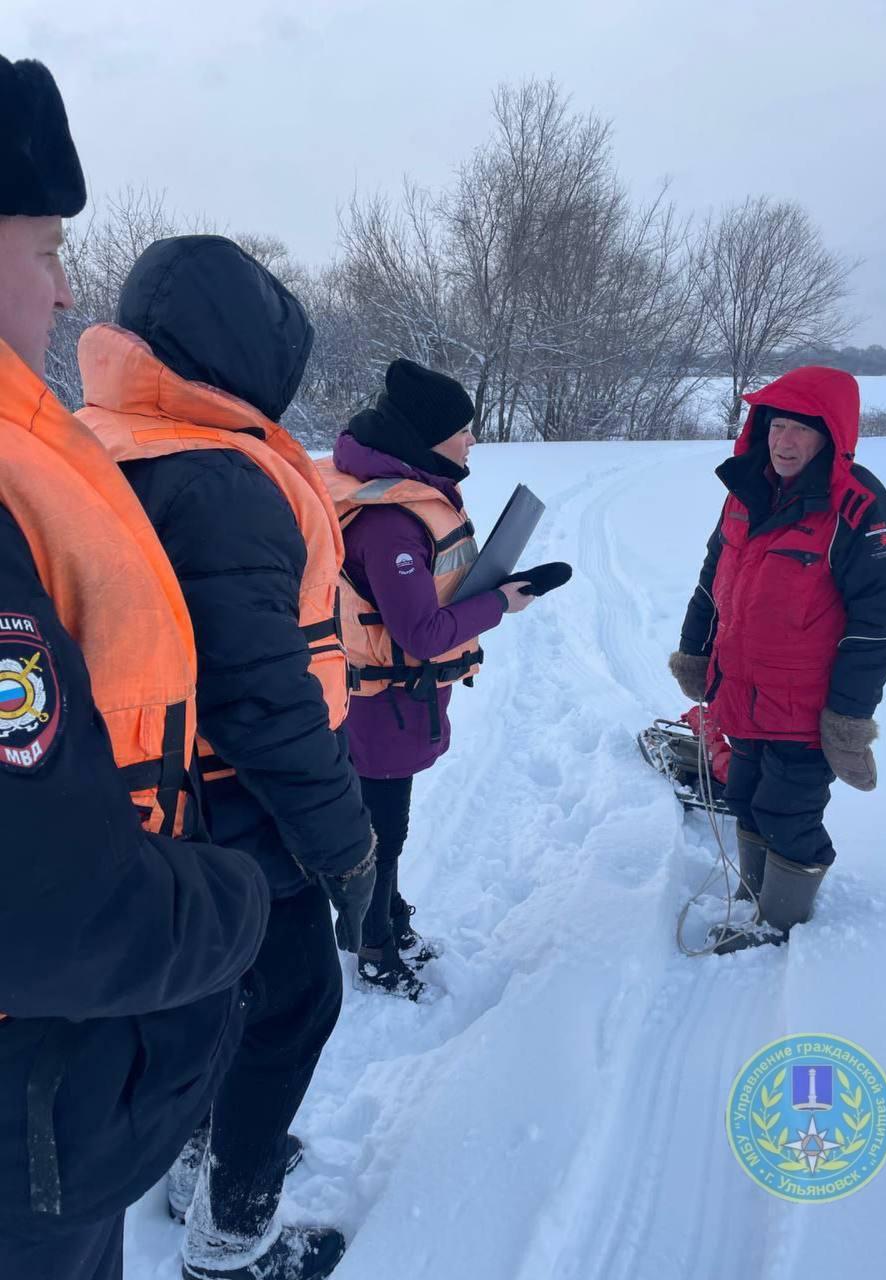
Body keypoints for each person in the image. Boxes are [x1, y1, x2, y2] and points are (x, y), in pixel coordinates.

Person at [0, 56, 271, 1280]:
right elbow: (48, 908)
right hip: (33, 1093)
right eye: (47, 248)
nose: (65, 296)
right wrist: (236, 898)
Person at [77, 235, 376, 1280]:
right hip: (232, 807)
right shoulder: (216, 476)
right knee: (293, 1004)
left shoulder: (96, 439)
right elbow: (260, 696)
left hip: (133, 800)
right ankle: (233, 1236)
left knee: (202, 998)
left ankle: (197, 1148)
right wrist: (346, 848)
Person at [669, 366, 886, 953]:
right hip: (743, 692)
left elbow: (878, 628)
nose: (783, 441)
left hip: (805, 709)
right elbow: (712, 579)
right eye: (776, 425)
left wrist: (848, 720)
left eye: (801, 430)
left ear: (831, 436)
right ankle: (757, 900)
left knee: (788, 814)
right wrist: (696, 652)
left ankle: (780, 925)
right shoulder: (745, 492)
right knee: (745, 796)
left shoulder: (861, 512)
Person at [317, 360, 537, 999]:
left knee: (387, 826)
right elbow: (420, 634)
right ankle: (372, 946)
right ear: (427, 436)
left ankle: (384, 917)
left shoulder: (402, 493)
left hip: (393, 701)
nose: (472, 441)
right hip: (380, 706)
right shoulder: (391, 522)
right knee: (384, 831)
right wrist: (500, 604)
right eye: (463, 430)